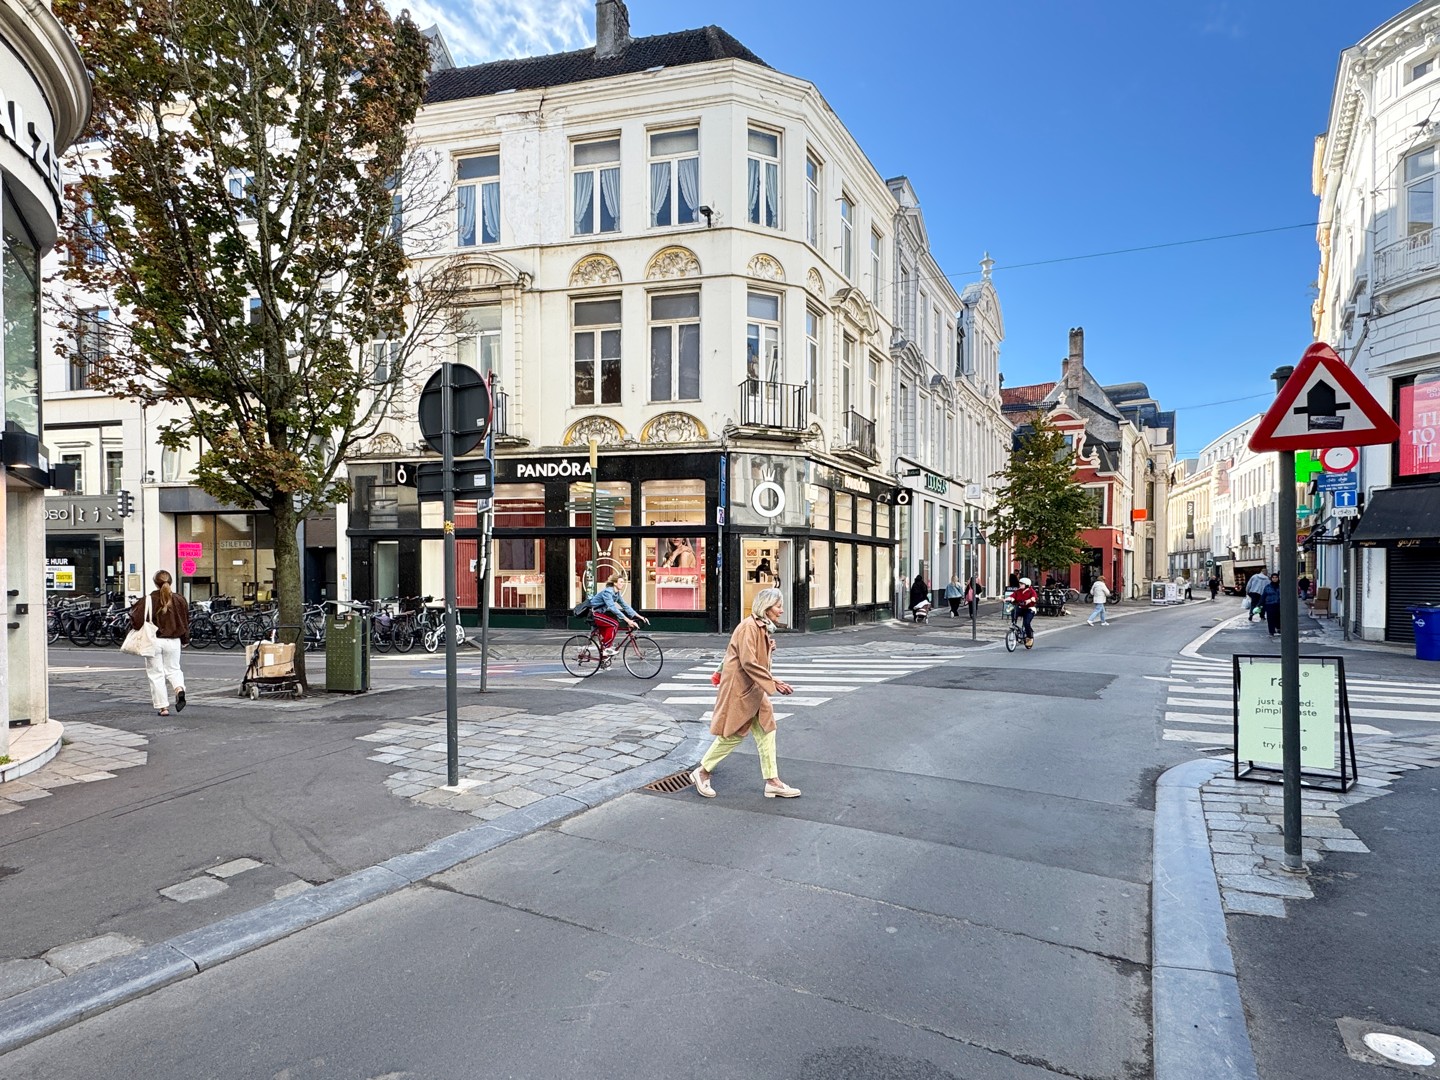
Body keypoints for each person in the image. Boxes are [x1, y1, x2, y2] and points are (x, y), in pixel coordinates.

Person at [691, 587, 798, 800]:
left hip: (754, 690)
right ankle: (702, 771)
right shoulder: (749, 627)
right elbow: (749, 662)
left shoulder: (761, 627)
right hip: (741, 689)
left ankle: (772, 781)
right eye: (778, 606)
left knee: (768, 730)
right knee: (733, 734)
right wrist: (774, 682)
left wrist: (768, 649)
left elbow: (754, 658)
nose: (781, 610)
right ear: (766, 608)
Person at [130, 570, 189, 716]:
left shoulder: (149, 599)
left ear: (155, 583)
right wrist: (185, 639)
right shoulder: (179, 599)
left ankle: (163, 708)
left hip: (154, 640)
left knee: (156, 673)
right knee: (174, 669)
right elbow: (186, 621)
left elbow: (136, 622)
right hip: (174, 640)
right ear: (171, 582)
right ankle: (179, 689)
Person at [586, 580, 648, 657]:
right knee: (614, 624)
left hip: (600, 614)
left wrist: (640, 616)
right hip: (594, 614)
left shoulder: (617, 594)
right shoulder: (607, 592)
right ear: (615, 583)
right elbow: (613, 608)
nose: (623, 584)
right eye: (621, 582)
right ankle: (606, 649)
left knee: (607, 633)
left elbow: (626, 606)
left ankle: (604, 656)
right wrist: (628, 620)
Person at [1012, 576, 1039, 648]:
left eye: (1021, 584)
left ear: (1026, 585)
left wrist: (1029, 600)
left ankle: (1029, 637)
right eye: (1019, 583)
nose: (1020, 585)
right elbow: (1012, 596)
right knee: (1014, 611)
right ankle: (1013, 624)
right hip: (1021, 608)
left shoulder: (1031, 591)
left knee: (1026, 623)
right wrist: (1006, 599)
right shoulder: (1018, 591)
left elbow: (1034, 597)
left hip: (1030, 609)